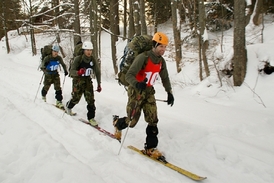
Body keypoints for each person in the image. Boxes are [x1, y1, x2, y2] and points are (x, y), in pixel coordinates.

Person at [113, 32, 174, 158]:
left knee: (153, 119)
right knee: (132, 121)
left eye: (165, 47)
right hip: (136, 91)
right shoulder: (143, 57)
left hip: (149, 92)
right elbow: (129, 75)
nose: (163, 49)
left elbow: (165, 77)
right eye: (161, 46)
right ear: (155, 45)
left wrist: (169, 92)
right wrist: (137, 84)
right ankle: (117, 123)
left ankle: (150, 148)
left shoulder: (161, 61)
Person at [65, 41, 102, 126]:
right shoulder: (78, 59)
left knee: (91, 100)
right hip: (78, 81)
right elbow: (71, 71)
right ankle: (69, 106)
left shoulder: (92, 59)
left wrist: (99, 84)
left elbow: (97, 71)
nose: (89, 52)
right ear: (84, 50)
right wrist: (78, 72)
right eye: (87, 50)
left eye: (90, 50)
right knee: (76, 98)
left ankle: (91, 118)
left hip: (88, 81)